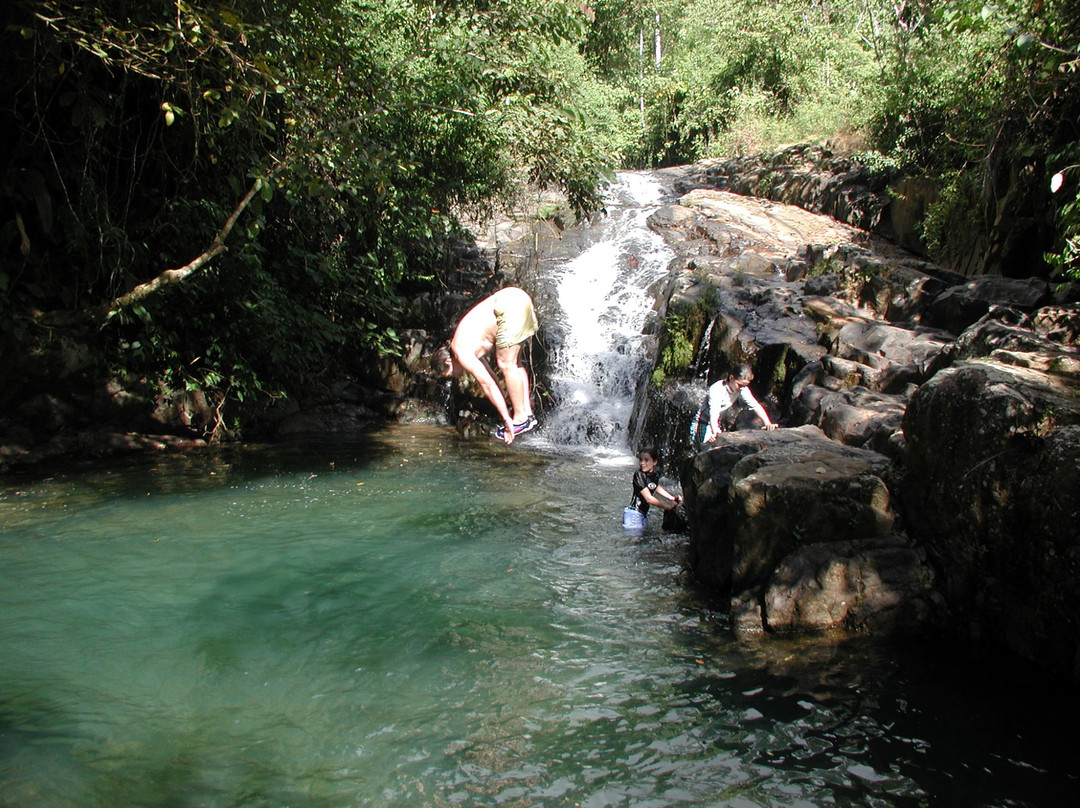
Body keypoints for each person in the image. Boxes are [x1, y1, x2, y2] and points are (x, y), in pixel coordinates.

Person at [434, 286, 538, 445]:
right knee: (515, 363)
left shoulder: (461, 351)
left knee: (506, 363)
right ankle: (527, 415)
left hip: (510, 307)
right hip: (519, 298)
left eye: (450, 374)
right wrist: (505, 408)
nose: (456, 377)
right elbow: (492, 379)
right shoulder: (465, 343)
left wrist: (507, 421)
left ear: (448, 362)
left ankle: (520, 419)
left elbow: (487, 385)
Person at [690, 363, 778, 447]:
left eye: (744, 386)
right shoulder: (717, 390)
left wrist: (768, 423)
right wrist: (715, 432)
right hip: (702, 423)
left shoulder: (742, 389)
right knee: (705, 450)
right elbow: (714, 413)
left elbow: (756, 406)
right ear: (731, 377)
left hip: (716, 423)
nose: (741, 388)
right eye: (739, 385)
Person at [623, 447, 682, 530]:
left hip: (643, 514)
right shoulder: (639, 475)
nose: (642, 463)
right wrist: (667, 506)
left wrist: (672, 498)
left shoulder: (655, 472)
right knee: (635, 540)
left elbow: (655, 486)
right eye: (641, 460)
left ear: (654, 462)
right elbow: (649, 499)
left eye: (646, 460)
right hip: (634, 514)